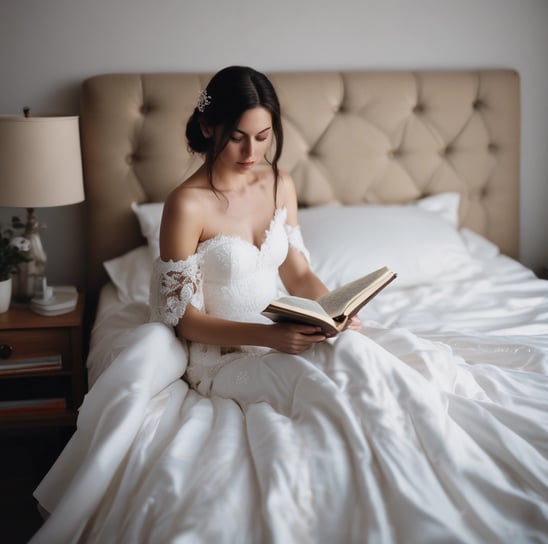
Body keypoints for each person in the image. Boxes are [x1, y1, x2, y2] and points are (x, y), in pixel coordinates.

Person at [151, 65, 361, 395]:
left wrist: (334, 313)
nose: (251, 152)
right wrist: (268, 336)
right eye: (237, 138)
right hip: (224, 355)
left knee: (360, 360)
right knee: (323, 391)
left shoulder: (280, 184)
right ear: (208, 127)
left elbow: (299, 274)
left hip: (284, 337)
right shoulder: (186, 204)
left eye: (262, 137)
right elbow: (183, 319)